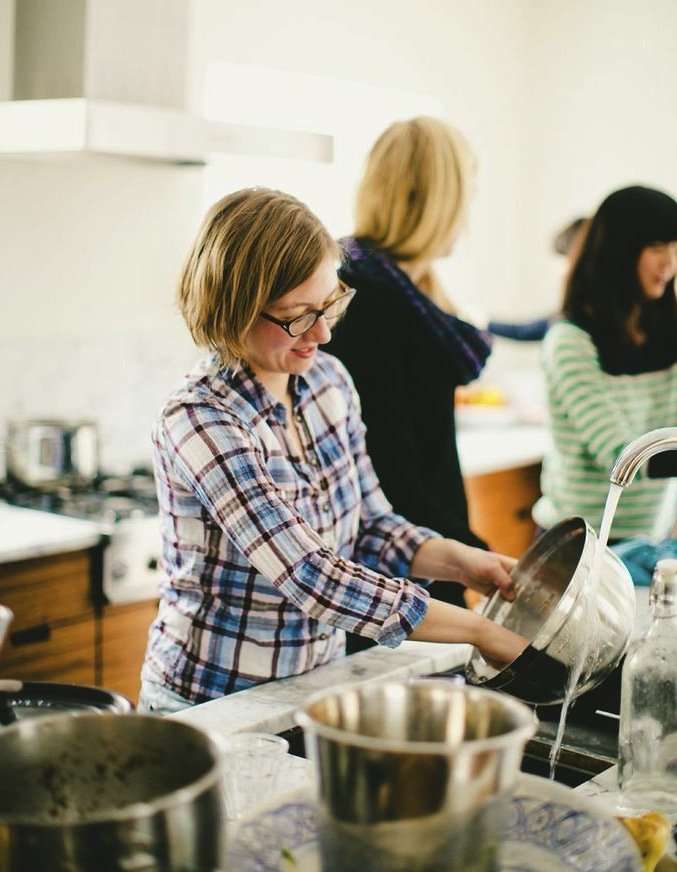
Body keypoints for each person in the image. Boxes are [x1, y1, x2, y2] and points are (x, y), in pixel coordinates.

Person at [138, 187, 526, 713]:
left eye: (329, 305)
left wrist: (465, 564)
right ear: (232, 309)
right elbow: (312, 576)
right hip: (207, 704)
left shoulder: (329, 383)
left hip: (311, 688)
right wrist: (479, 631)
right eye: (297, 316)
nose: (320, 333)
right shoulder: (202, 419)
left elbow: (371, 526)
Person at [324, 117, 492, 626]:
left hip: (435, 550)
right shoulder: (365, 301)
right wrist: (472, 554)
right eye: (465, 195)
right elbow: (389, 469)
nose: (467, 214)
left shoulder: (415, 296)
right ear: (435, 201)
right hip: (394, 572)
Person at [532, 185, 677, 546]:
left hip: (648, 542)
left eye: (675, 248)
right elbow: (621, 456)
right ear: (620, 252)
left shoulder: (668, 333)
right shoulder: (571, 341)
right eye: (657, 247)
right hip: (577, 546)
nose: (670, 263)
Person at [487, 216, 589, 342]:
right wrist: (484, 321)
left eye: (564, 261)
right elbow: (522, 332)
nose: (560, 271)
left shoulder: (572, 326)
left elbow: (524, 332)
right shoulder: (567, 318)